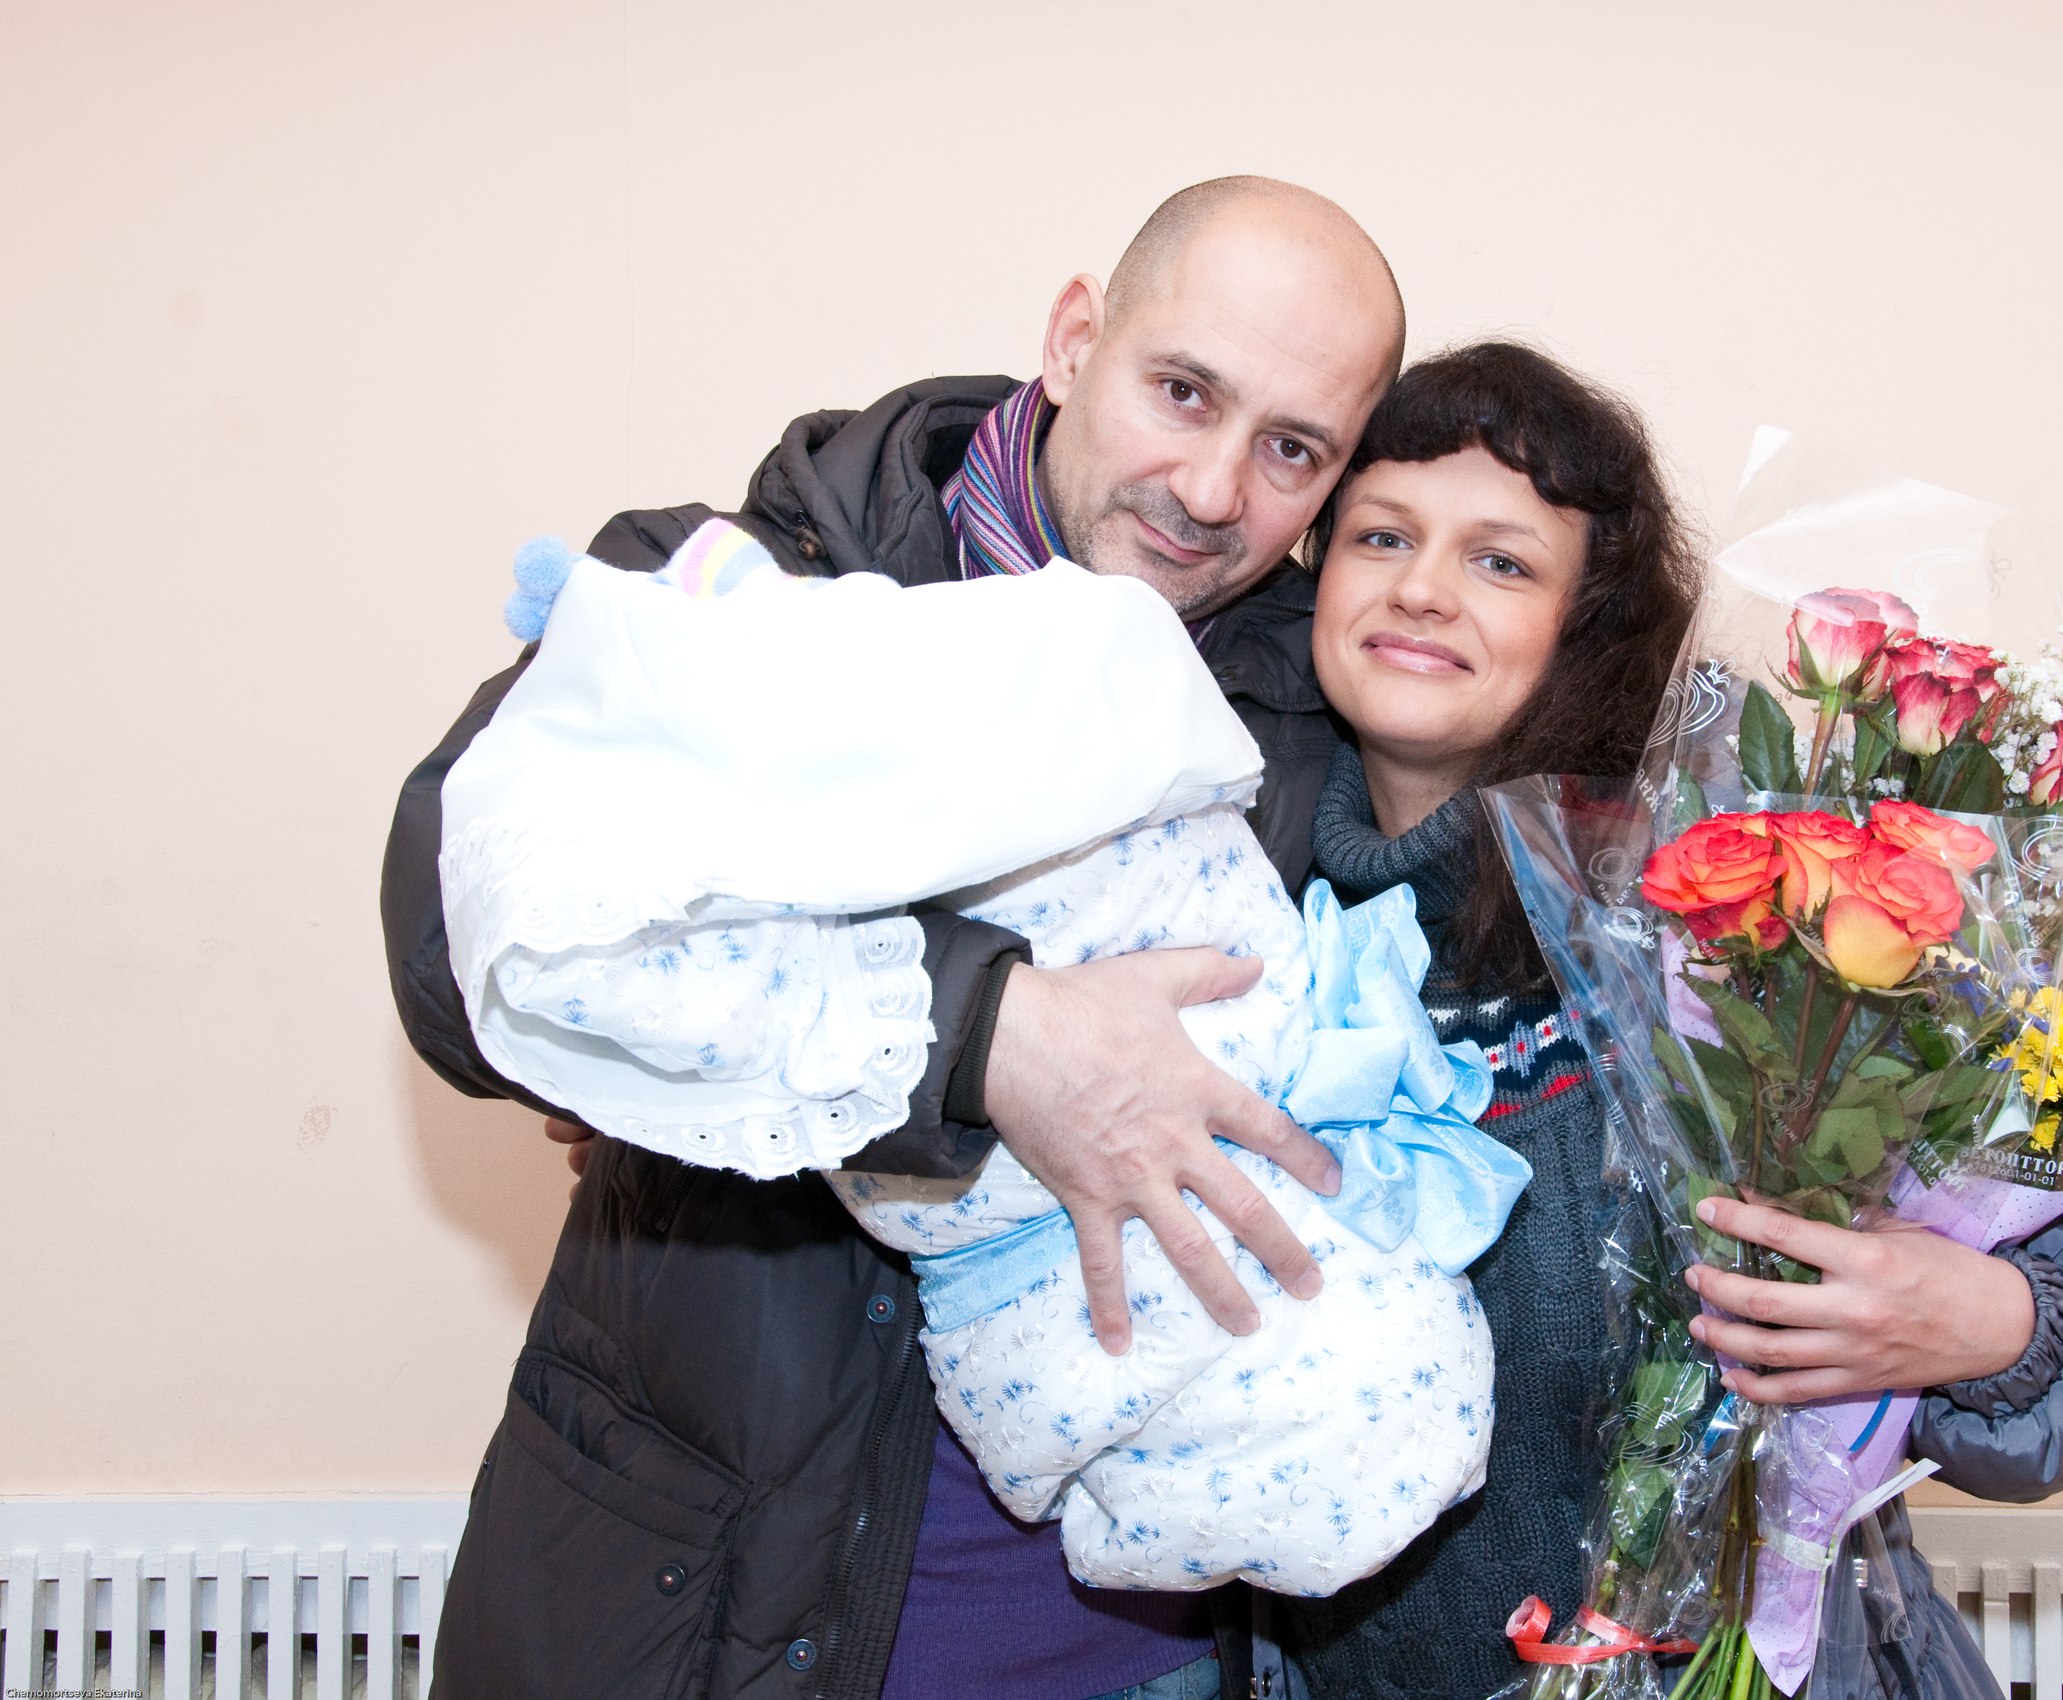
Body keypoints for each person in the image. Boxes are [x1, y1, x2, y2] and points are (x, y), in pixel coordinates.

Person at [382, 177, 1406, 1700]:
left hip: (1138, 1654)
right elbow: (449, 940)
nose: (1211, 489)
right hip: (706, 1619)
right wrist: (987, 1036)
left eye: (1291, 450)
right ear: (1076, 338)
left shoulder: (1314, 716)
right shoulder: (743, 591)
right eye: (1184, 392)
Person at [1248, 341, 2063, 1700]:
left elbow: (2047, 1346)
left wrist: (1999, 1319)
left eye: (1501, 562)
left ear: (1584, 626)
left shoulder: (1718, 919)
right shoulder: (1227, 906)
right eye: (1382, 535)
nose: (1421, 588)